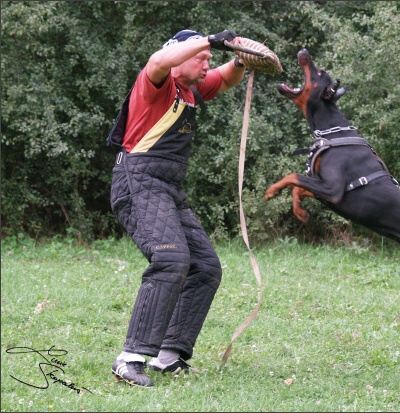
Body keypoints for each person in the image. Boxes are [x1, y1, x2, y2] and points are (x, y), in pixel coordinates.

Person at [108, 29, 247, 387]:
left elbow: (227, 77)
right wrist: (213, 40)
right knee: (170, 259)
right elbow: (158, 60)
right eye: (201, 57)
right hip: (137, 182)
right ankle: (130, 358)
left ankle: (169, 355)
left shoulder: (192, 89)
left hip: (167, 188)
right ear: (180, 56)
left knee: (205, 267)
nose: (207, 64)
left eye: (208, 59)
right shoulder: (156, 82)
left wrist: (242, 57)